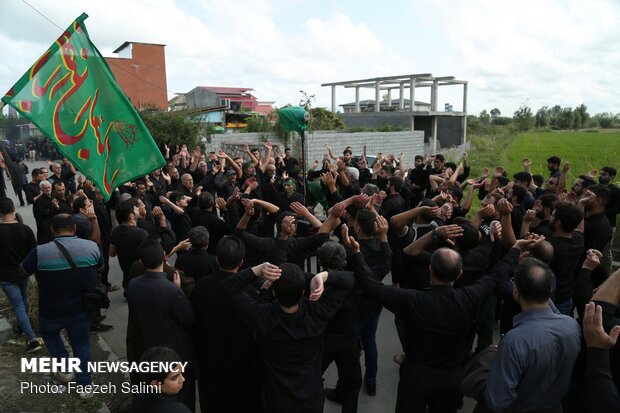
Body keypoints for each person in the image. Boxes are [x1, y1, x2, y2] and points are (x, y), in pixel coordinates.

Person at [344, 225, 536, 413]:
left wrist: (356, 254)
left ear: (430, 271)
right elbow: (496, 276)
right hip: (450, 377)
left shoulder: (413, 300)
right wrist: (515, 249)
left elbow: (372, 286)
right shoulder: (469, 297)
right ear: (459, 274)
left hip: (415, 376)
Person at [223, 260, 354, 412]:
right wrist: (322, 276)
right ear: (302, 292)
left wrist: (258, 270)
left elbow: (229, 286)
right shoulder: (316, 314)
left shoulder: (262, 316)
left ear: (274, 292)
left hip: (278, 400)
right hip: (311, 398)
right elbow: (349, 279)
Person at [483, 258, 582, 413]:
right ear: (549, 290)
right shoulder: (571, 326)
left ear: (516, 291)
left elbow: (498, 400)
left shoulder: (514, 340)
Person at [20, 214, 103, 392]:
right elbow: (99, 267)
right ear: (74, 228)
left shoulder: (39, 252)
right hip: (81, 309)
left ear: (52, 230)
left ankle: (65, 369)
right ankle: (85, 386)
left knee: (50, 336)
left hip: (50, 311)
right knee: (81, 345)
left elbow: (23, 270)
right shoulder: (92, 247)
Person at [192, 236, 262, 413]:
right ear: (241, 262)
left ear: (217, 260)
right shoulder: (250, 291)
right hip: (242, 361)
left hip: (210, 358)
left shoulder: (202, 285)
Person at [127, 239, 196, 411]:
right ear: (165, 257)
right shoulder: (171, 290)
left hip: (146, 346)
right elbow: (189, 318)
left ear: (142, 262)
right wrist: (179, 291)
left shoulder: (134, 284)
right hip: (173, 349)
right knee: (179, 392)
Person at [0, 197, 41, 353]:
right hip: (23, 272)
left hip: (6, 277)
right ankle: (26, 327)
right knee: (22, 302)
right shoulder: (25, 229)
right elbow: (34, 252)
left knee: (18, 306)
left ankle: (32, 339)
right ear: (14, 210)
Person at [132, 346, 192, 413]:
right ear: (155, 384)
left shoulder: (139, 397)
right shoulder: (179, 410)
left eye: (181, 373)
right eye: (174, 378)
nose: (183, 379)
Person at [110, 198, 149, 294]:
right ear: (131, 216)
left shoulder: (115, 232)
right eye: (135, 209)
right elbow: (152, 256)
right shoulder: (141, 233)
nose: (138, 209)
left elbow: (112, 253)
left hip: (128, 277)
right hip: (142, 279)